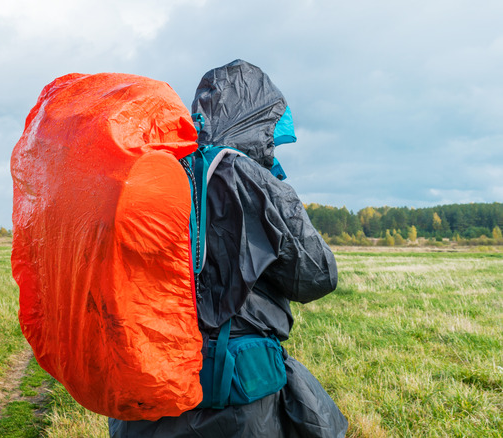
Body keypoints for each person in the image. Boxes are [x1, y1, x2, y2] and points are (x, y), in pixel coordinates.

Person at [109, 60, 348, 437]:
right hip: (237, 395)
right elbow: (317, 277)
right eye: (271, 130)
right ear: (254, 122)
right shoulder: (253, 179)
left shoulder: (151, 175)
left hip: (150, 380)